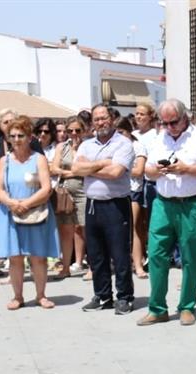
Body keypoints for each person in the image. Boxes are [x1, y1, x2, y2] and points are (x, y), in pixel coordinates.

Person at [138, 99, 196, 327]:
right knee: (155, 255)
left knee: (191, 257)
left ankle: (186, 307)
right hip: (163, 203)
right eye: (164, 123)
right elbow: (148, 171)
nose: (169, 127)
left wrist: (187, 169)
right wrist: (157, 170)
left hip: (192, 203)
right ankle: (157, 309)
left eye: (173, 122)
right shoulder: (159, 138)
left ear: (186, 117)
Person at [72, 104, 136, 315]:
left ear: (112, 119)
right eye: (96, 119)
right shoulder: (86, 144)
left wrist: (89, 168)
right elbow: (75, 168)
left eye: (104, 118)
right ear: (92, 123)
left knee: (119, 254)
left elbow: (116, 172)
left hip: (116, 204)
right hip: (92, 204)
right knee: (96, 254)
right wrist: (102, 163)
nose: (100, 122)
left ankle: (124, 297)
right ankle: (102, 295)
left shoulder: (124, 143)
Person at [0, 115, 60, 310]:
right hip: (10, 214)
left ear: (29, 137)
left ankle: (41, 295)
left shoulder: (39, 159)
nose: (16, 140)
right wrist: (12, 203)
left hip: (36, 212)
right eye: (12, 136)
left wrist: (27, 204)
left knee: (38, 257)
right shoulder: (3, 161)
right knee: (15, 257)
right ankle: (18, 296)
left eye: (20, 135)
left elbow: (46, 188)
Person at [51, 116, 89, 278]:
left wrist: (69, 172)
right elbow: (54, 168)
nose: (74, 133)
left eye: (77, 130)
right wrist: (73, 172)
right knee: (66, 230)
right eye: (70, 130)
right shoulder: (62, 146)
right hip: (65, 191)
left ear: (84, 130)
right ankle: (65, 267)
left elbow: (89, 169)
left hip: (85, 190)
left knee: (86, 229)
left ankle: (92, 267)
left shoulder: (88, 146)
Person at [131, 103, 158, 279]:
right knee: (136, 224)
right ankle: (137, 258)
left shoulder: (156, 135)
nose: (139, 117)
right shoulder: (132, 135)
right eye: (137, 114)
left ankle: (152, 257)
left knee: (151, 224)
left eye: (142, 114)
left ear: (150, 116)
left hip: (150, 183)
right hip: (134, 184)